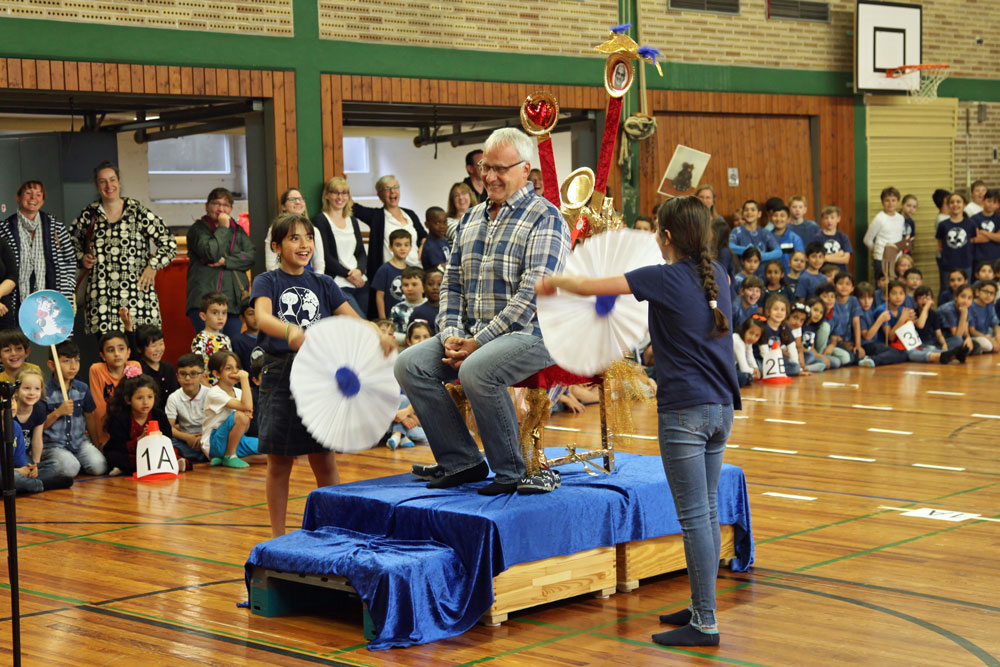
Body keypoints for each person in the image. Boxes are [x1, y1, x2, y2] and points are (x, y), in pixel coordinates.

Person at [536, 195, 739, 647]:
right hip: (721, 408)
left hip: (685, 412)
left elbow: (592, 287)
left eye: (657, 233)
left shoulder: (663, 278)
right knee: (704, 513)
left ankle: (705, 621)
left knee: (695, 519)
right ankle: (700, 602)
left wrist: (554, 283)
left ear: (666, 237)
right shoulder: (719, 276)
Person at [395, 127, 569, 496]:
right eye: (484, 167)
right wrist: (452, 334)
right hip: (473, 334)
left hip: (535, 333)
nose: (489, 176)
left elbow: (531, 296)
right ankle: (462, 461)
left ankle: (512, 471)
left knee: (478, 369)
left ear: (525, 170)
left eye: (500, 169)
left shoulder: (546, 217)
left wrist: (478, 342)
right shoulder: (469, 220)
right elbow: (451, 285)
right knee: (409, 364)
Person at [252, 212, 395, 537]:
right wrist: (291, 332)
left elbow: (352, 317)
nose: (304, 245)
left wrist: (376, 332)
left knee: (324, 458)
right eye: (294, 238)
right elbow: (262, 317)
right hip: (280, 374)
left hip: (319, 378)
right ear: (277, 245)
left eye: (309, 238)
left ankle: (335, 526)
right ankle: (277, 535)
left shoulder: (324, 283)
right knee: (279, 462)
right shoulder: (267, 281)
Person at [71, 161, 177, 336]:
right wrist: (82, 257)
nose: (109, 185)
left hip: (139, 298)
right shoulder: (89, 215)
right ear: (97, 186)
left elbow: (169, 243)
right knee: (109, 355)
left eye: (112, 180)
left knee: (141, 354)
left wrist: (153, 267)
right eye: (103, 181)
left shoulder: (138, 212)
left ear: (119, 182)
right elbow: (69, 243)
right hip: (102, 300)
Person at [0, 180, 76, 330]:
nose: (33, 198)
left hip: (53, 297)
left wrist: (68, 286)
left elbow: (70, 260)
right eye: (28, 193)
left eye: (38, 194)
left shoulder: (56, 227)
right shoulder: (4, 228)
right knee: (16, 343)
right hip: (15, 299)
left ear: (42, 200)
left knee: (57, 341)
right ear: (18, 197)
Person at [185, 187, 255, 339]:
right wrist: (223, 228)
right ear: (207, 206)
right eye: (216, 204)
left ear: (231, 209)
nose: (221, 209)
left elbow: (251, 256)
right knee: (212, 351)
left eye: (226, 205)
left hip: (233, 303)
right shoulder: (198, 230)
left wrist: (227, 261)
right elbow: (211, 253)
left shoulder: (238, 230)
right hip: (205, 302)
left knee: (230, 352)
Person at [41, 341, 107, 478]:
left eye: (76, 361)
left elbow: (90, 416)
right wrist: (57, 412)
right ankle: (57, 463)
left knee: (99, 466)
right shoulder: (44, 392)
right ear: (52, 365)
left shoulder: (82, 388)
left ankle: (74, 460)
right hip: (54, 445)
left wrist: (96, 444)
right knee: (70, 469)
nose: (73, 367)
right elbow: (38, 426)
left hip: (79, 442)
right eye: (66, 361)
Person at [356, 175, 426, 291]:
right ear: (379, 195)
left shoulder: (410, 214)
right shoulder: (376, 216)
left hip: (416, 271)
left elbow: (423, 235)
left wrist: (423, 245)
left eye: (395, 187)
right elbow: (353, 208)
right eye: (387, 189)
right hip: (391, 275)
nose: (392, 191)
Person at [104, 374, 183, 476]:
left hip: (155, 452)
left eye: (150, 397)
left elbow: (168, 438)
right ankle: (125, 468)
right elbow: (118, 445)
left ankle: (177, 463)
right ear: (128, 400)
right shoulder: (121, 418)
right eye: (139, 398)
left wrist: (158, 437)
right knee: (114, 456)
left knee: (176, 450)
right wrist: (139, 440)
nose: (146, 402)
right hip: (132, 453)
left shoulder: (159, 415)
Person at [313, 177, 368, 316]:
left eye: (344, 193)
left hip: (360, 282)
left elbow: (361, 252)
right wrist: (348, 275)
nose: (340, 197)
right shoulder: (321, 220)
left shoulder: (352, 220)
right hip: (338, 284)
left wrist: (359, 272)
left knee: (365, 324)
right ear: (327, 195)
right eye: (335, 193)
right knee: (361, 323)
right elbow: (325, 256)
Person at [202, 350, 258, 468]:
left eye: (237, 368)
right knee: (241, 415)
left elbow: (245, 422)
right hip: (214, 442)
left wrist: (246, 418)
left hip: (236, 440)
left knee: (270, 451)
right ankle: (229, 456)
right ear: (217, 374)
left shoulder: (239, 392)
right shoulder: (214, 393)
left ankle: (226, 459)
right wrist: (244, 379)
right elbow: (247, 406)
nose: (235, 372)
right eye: (229, 368)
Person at [89, 330, 142, 446]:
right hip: (107, 426)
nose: (117, 354)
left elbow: (140, 400)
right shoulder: (96, 370)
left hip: (130, 426)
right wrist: (103, 440)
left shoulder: (134, 367)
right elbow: (99, 409)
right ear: (102, 356)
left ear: (128, 353)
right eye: (110, 350)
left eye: (121, 349)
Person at [119, 308, 177, 410]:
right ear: (140, 349)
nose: (158, 349)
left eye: (161, 343)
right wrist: (128, 327)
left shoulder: (168, 368)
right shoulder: (138, 367)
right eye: (153, 345)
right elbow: (132, 349)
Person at [265, 188, 325, 273]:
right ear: (283, 207)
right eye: (292, 199)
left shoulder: (314, 230)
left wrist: (317, 283)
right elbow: (271, 265)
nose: (298, 202)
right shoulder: (275, 229)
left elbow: (319, 265)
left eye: (301, 199)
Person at [164, 353, 209, 464]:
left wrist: (204, 437)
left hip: (208, 437)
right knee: (166, 442)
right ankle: (200, 457)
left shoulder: (210, 394)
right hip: (185, 440)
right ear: (177, 377)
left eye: (193, 374)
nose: (187, 378)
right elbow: (169, 428)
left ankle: (191, 458)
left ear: (203, 376)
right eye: (183, 374)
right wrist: (187, 438)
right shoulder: (174, 397)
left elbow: (219, 423)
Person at [936, 192, 978, 294]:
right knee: (947, 290)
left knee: (966, 290)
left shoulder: (970, 223)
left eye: (958, 202)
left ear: (964, 204)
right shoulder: (943, 225)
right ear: (948, 205)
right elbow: (940, 244)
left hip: (965, 263)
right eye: (952, 202)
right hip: (948, 264)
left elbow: (973, 240)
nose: (955, 204)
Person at [729, 200, 779, 278]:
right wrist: (750, 251)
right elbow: (730, 246)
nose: (749, 212)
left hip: (763, 277)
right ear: (743, 214)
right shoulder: (736, 231)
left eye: (753, 210)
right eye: (746, 210)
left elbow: (778, 252)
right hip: (743, 277)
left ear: (759, 214)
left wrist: (761, 255)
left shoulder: (765, 232)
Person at [862, 186, 904, 280]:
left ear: (898, 202)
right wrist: (878, 251)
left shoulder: (900, 218)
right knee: (882, 287)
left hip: (897, 259)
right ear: (882, 202)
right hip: (881, 259)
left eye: (893, 200)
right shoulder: (879, 219)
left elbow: (899, 238)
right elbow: (867, 240)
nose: (890, 203)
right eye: (887, 200)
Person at [191, 292, 233, 377]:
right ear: (203, 316)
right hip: (208, 386)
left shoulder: (226, 339)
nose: (221, 317)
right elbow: (197, 368)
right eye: (215, 313)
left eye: (224, 313)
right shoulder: (200, 338)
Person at [938, 284, 978, 354]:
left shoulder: (967, 308)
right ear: (956, 297)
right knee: (959, 341)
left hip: (953, 338)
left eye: (969, 298)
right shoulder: (948, 310)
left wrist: (968, 338)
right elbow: (957, 335)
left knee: (976, 345)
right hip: (941, 340)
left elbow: (965, 331)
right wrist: (963, 315)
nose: (966, 301)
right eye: (963, 296)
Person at [389, 267, 426, 341]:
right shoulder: (396, 309)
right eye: (406, 285)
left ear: (424, 287)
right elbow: (393, 333)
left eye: (414, 284)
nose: (409, 288)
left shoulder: (431, 306)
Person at [816, 205, 853, 272]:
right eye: (826, 218)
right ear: (822, 220)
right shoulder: (817, 237)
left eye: (832, 218)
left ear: (838, 219)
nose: (829, 221)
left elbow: (846, 260)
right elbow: (819, 259)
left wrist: (826, 257)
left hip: (841, 272)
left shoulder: (843, 237)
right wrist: (838, 254)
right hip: (823, 273)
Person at [769, 205, 803, 273]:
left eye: (782, 216)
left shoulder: (795, 239)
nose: (778, 219)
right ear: (771, 218)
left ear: (788, 219)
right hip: (770, 276)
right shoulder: (766, 237)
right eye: (775, 215)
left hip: (790, 276)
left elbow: (801, 261)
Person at [971, 188, 1000, 269]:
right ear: (983, 200)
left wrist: (983, 232)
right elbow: (976, 239)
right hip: (979, 258)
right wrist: (995, 236)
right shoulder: (974, 218)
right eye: (989, 201)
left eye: (994, 202)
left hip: (996, 258)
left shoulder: (998, 219)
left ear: (998, 206)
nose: (991, 204)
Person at [968, 280, 1000, 352]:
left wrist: (998, 338)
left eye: (992, 293)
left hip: (987, 334)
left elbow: (995, 324)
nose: (988, 295)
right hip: (974, 337)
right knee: (987, 345)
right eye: (986, 291)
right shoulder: (971, 306)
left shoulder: (990, 305)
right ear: (977, 292)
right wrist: (991, 340)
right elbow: (972, 331)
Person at [231, 299, 261, 375]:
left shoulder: (270, 338)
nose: (256, 317)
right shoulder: (238, 341)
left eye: (259, 312)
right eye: (251, 314)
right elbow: (238, 367)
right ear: (242, 318)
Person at [732, 315, 763, 386]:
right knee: (745, 377)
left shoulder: (747, 341)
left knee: (759, 371)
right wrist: (754, 372)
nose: (753, 337)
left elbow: (750, 355)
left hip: (732, 367)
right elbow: (743, 368)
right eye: (751, 333)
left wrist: (755, 368)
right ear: (744, 330)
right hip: (721, 370)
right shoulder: (737, 341)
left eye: (757, 335)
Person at [421, 206, 450, 271]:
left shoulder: (443, 240)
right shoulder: (430, 246)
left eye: (445, 223)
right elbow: (441, 268)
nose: (442, 226)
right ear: (427, 224)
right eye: (437, 223)